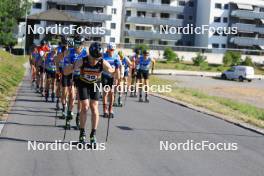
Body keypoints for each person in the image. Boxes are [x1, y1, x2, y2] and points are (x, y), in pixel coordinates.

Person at [63, 42, 114, 145]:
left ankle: (93, 134)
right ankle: (82, 132)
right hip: (84, 83)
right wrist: (70, 68)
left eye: (97, 58)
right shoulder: (82, 61)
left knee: (94, 107)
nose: (96, 60)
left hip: (95, 84)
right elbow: (66, 72)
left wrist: (115, 70)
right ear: (90, 54)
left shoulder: (101, 62)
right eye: (94, 57)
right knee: (85, 106)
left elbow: (111, 70)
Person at [101, 43, 121, 118]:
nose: (111, 51)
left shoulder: (116, 56)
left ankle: (110, 109)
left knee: (112, 93)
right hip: (105, 76)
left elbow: (118, 67)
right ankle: (105, 110)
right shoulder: (104, 56)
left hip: (112, 77)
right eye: (110, 49)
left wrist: (118, 78)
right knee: (105, 93)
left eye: (113, 50)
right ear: (108, 49)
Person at [61, 41, 75, 128]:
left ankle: (70, 111)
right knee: (64, 93)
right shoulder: (67, 53)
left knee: (72, 95)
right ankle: (64, 108)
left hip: (73, 76)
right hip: (66, 75)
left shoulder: (77, 54)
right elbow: (64, 67)